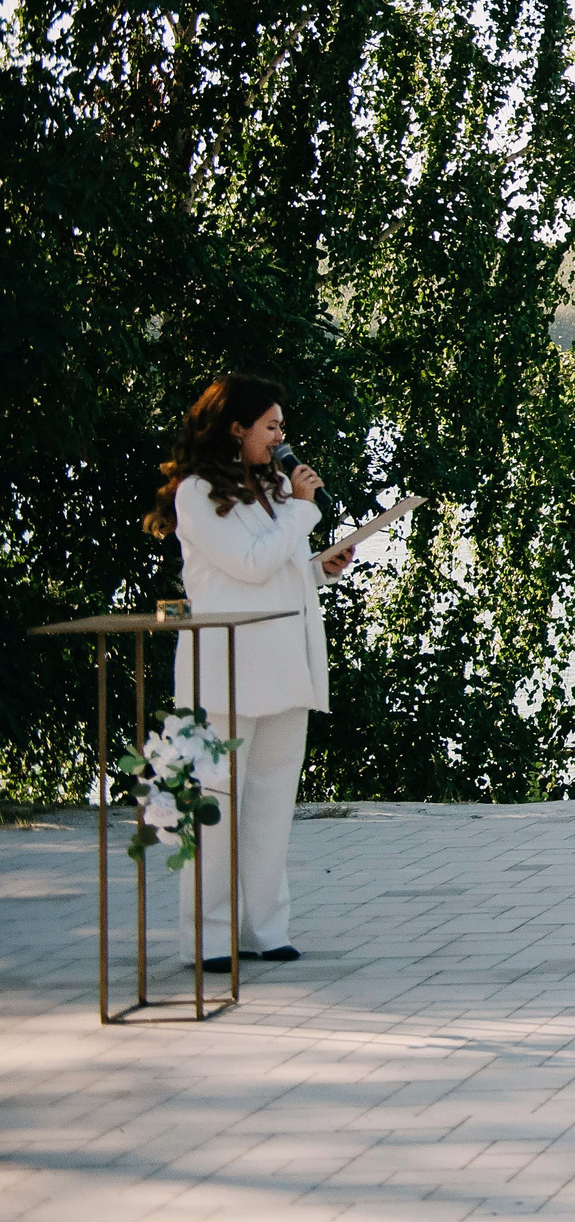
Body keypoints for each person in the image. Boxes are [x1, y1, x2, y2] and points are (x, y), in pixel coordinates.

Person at [143, 375, 349, 970]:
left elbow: (279, 570)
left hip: (284, 664)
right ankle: (206, 937)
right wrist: (303, 512)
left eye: (281, 426)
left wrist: (319, 569)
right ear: (236, 428)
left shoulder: (273, 491)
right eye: (271, 426)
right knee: (215, 807)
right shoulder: (196, 492)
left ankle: (266, 926)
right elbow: (250, 566)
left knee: (270, 806)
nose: (281, 437)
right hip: (227, 670)